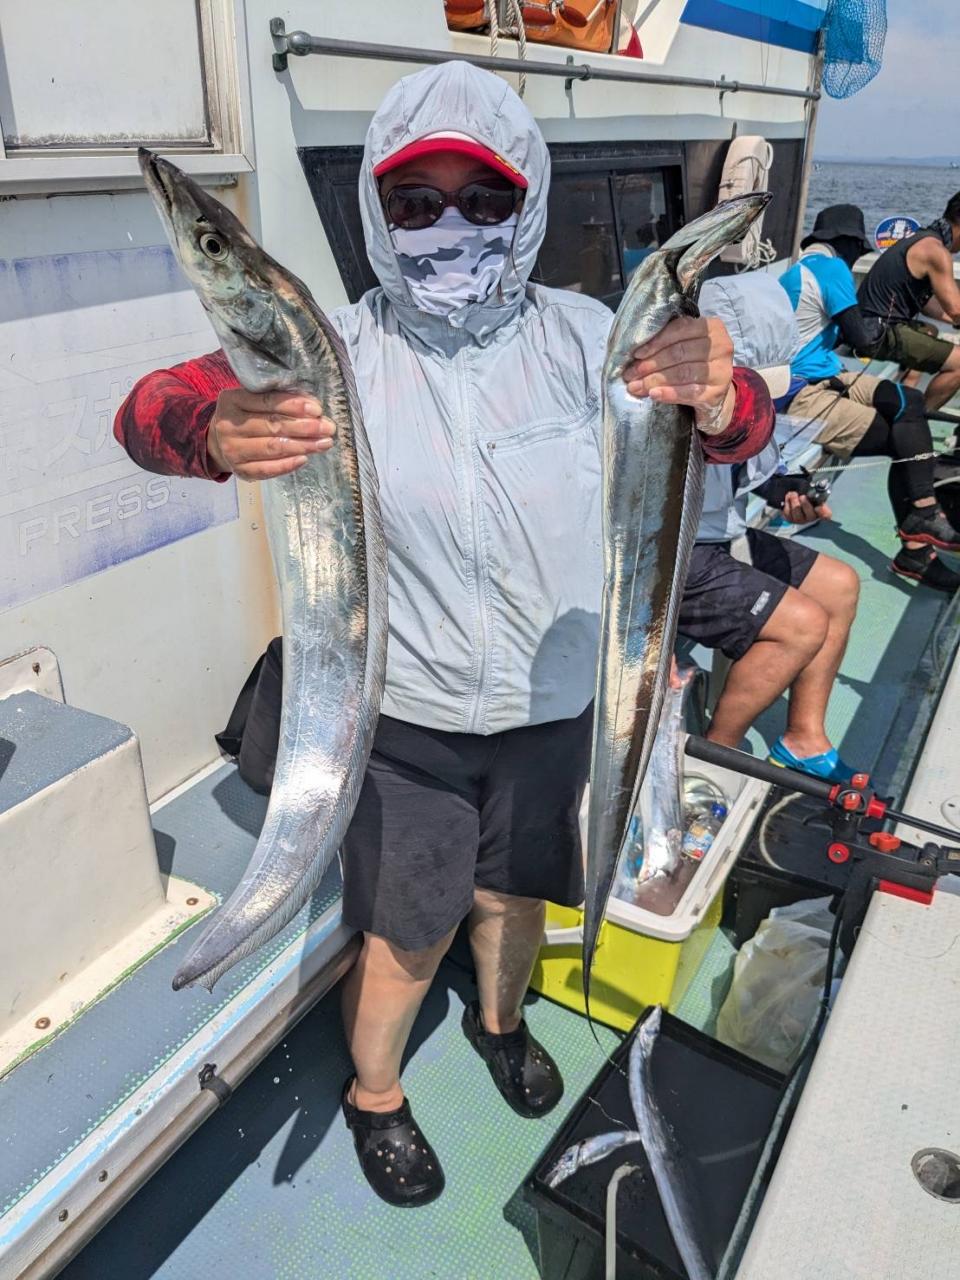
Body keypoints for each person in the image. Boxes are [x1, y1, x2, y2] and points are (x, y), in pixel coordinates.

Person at [114, 62, 773, 1208]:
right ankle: (376, 1091)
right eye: (416, 202)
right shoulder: (332, 356)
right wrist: (210, 428)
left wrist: (719, 393)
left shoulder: (592, 339)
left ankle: (501, 1022)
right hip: (408, 722)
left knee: (516, 898)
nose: (451, 225)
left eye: (485, 198)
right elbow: (146, 414)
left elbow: (735, 423)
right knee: (409, 927)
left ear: (528, 206)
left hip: (555, 707)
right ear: (378, 212)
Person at [679, 272, 861, 781]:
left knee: (840, 586)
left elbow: (748, 463)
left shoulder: (741, 401)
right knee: (801, 627)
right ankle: (714, 758)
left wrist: (786, 491)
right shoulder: (671, 402)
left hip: (721, 535)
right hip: (679, 554)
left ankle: (804, 738)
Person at [778, 204, 960, 592]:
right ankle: (917, 538)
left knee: (910, 404)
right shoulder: (833, 269)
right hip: (802, 390)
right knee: (902, 436)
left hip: (826, 372)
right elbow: (860, 336)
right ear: (847, 243)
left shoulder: (799, 269)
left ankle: (921, 522)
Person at [857, 193, 960, 412]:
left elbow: (928, 305)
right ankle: (918, 418)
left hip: (866, 324)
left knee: (929, 331)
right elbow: (956, 308)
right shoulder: (936, 251)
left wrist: (953, 320)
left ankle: (905, 398)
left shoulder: (920, 238)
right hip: (877, 333)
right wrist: (956, 317)